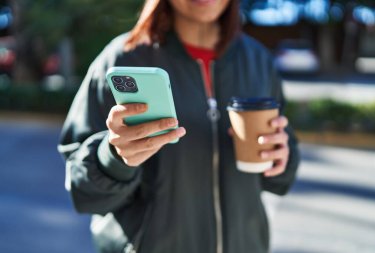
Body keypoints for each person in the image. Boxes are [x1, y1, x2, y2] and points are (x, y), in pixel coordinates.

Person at [58, 0, 300, 252]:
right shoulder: (121, 60)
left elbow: (279, 174)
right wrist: (112, 158)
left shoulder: (258, 61)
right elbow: (84, 191)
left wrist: (281, 157)